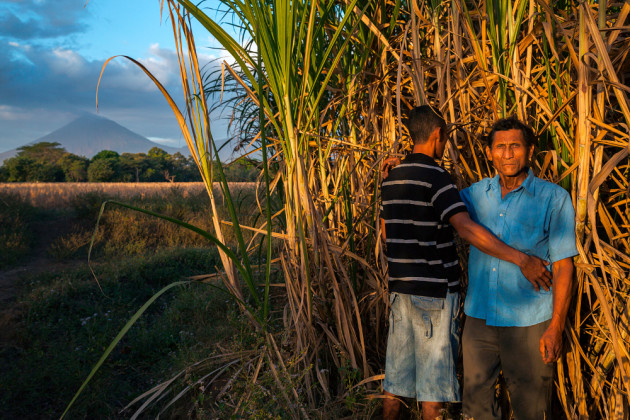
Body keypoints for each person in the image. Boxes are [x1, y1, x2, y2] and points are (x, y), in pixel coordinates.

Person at [379, 106, 552, 420]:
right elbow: (466, 227)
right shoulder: (435, 176)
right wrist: (521, 259)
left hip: (400, 290)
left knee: (395, 382)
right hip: (433, 294)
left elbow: (386, 230)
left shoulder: (391, 178)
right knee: (432, 392)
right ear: (438, 136)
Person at [460, 117, 577, 420]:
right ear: (489, 152)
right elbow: (435, 202)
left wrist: (555, 326)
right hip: (479, 320)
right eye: (500, 147)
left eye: (515, 146)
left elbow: (564, 267)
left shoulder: (553, 198)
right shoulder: (474, 196)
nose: (507, 154)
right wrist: (407, 166)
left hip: (531, 323)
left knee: (532, 410)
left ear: (530, 150)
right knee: (476, 410)